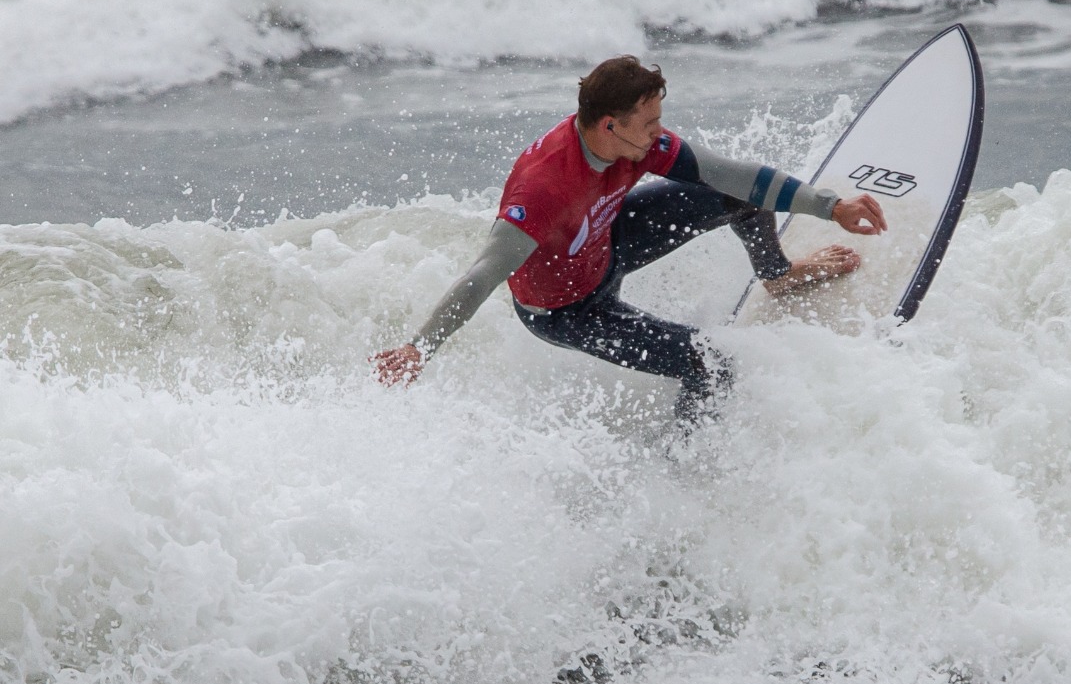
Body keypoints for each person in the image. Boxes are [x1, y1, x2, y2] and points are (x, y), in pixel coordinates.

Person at [370, 56, 887, 421]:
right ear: (611, 126)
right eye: (650, 122)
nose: (660, 132)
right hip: (567, 310)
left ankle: (777, 275)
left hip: (607, 241)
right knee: (711, 362)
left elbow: (734, 176)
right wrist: (421, 347)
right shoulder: (544, 186)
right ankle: (686, 472)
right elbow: (483, 275)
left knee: (741, 199)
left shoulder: (639, 144)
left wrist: (829, 206)